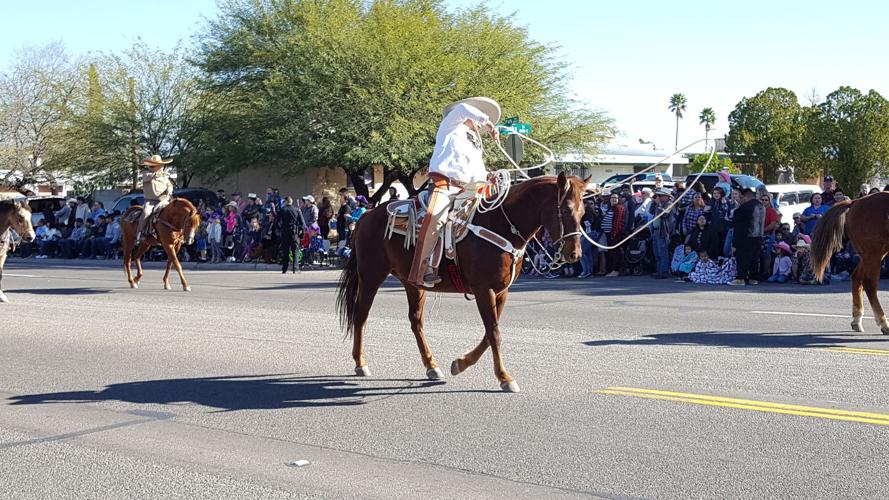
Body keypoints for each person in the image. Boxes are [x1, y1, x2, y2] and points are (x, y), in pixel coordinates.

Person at [407, 96, 500, 287]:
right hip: (444, 185)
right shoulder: (451, 125)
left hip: (469, 189)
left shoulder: (474, 141)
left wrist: (488, 176)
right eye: (478, 114)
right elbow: (462, 109)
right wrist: (489, 123)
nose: (479, 120)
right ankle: (423, 269)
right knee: (436, 217)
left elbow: (476, 169)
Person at [136, 154, 175, 246]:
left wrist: (169, 190)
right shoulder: (146, 174)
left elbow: (169, 185)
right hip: (151, 202)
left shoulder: (165, 177)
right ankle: (140, 233)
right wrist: (159, 174)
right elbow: (150, 177)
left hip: (164, 201)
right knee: (146, 213)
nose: (162, 167)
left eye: (162, 165)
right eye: (160, 165)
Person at [729, 187, 764, 286]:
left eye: (741, 197)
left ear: (746, 196)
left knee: (742, 259)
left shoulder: (744, 208)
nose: (740, 199)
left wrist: (735, 242)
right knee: (754, 259)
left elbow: (738, 225)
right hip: (758, 236)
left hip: (745, 237)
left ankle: (741, 278)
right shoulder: (761, 206)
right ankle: (753, 278)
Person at [649, 188, 674, 279]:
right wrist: (653, 202)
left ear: (667, 196)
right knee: (656, 252)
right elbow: (651, 211)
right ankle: (658, 270)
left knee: (662, 252)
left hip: (663, 231)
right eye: (658, 196)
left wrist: (659, 204)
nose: (659, 197)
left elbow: (663, 214)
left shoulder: (669, 204)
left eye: (660, 196)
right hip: (655, 230)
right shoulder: (658, 204)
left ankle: (664, 271)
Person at [277, 196, 305, 274]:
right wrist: (301, 234)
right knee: (295, 250)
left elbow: (277, 221)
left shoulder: (282, 210)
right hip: (294, 233)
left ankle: (284, 268)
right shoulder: (297, 210)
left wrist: (279, 230)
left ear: (286, 202)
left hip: (285, 232)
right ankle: (295, 268)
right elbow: (302, 224)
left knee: (285, 250)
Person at [602, 192, 626, 277]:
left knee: (615, 252)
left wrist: (614, 233)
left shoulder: (619, 208)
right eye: (612, 198)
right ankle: (611, 269)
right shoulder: (611, 208)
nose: (614, 199)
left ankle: (616, 270)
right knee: (610, 252)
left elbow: (617, 222)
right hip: (607, 233)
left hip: (615, 234)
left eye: (616, 198)